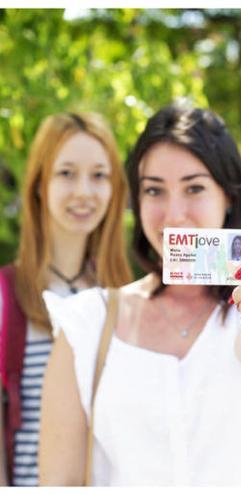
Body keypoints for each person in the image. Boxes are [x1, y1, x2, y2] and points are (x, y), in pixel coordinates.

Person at [37, 104, 241, 486]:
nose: (173, 213)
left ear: (228, 196)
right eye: (154, 190)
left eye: (194, 187)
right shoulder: (87, 321)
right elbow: (57, 483)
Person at [0, 113, 132, 486]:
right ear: (40, 184)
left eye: (99, 175)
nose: (83, 192)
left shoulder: (126, 299)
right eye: (66, 173)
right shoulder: (6, 297)